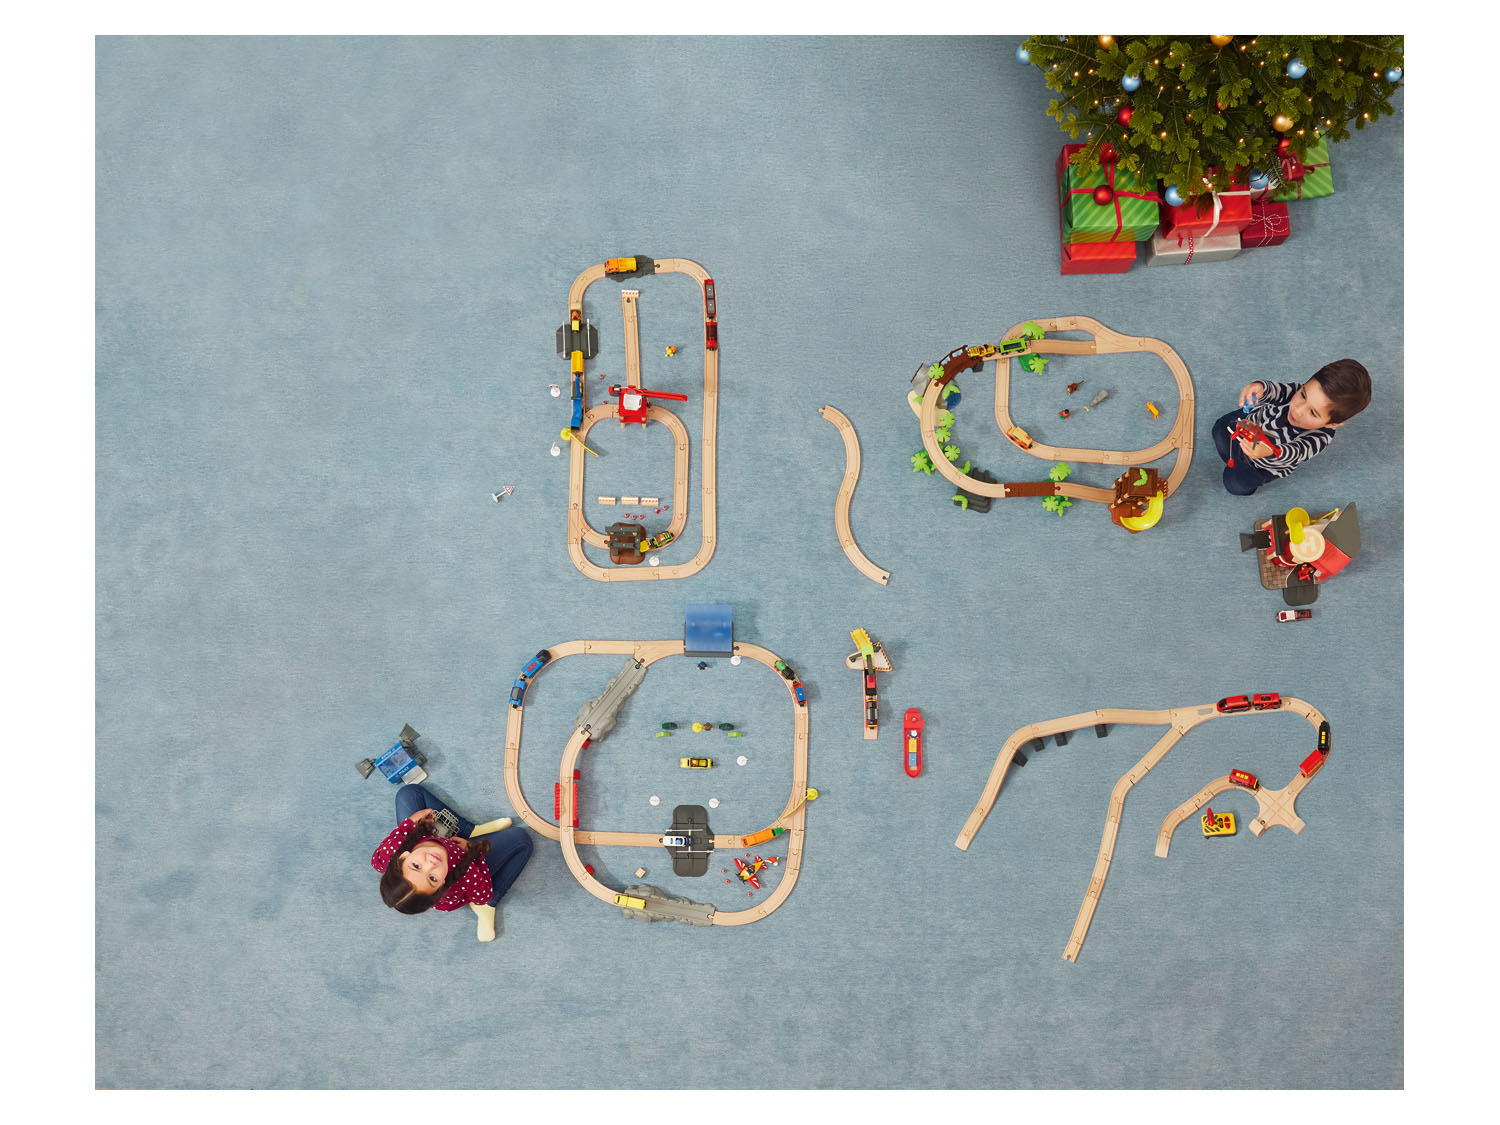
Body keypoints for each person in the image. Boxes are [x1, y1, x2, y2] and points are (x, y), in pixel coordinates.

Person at [371, 783, 533, 942]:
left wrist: (412, 821)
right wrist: (473, 851)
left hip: (429, 836)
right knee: (521, 839)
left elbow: (376, 860)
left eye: (416, 866)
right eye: (432, 878)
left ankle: (472, 830)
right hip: (464, 856)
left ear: (402, 857)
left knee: (409, 793)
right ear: (442, 885)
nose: (431, 864)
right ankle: (490, 906)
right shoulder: (462, 877)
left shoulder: (389, 853)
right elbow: (483, 895)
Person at [1212, 359, 1371, 496]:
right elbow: (1277, 391)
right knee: (1220, 430)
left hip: (1263, 464)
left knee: (1235, 484)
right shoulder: (1296, 390)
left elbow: (1295, 452)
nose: (1298, 410)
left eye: (1313, 413)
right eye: (1303, 395)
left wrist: (1270, 451)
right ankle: (1232, 454)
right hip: (1249, 426)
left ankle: (1239, 470)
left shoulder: (1319, 437)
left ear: (1332, 424)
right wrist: (1261, 388)